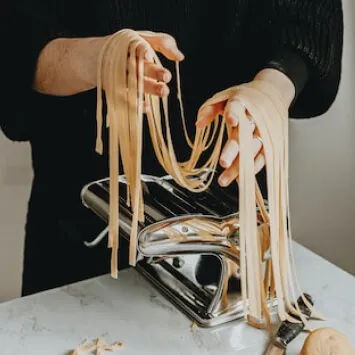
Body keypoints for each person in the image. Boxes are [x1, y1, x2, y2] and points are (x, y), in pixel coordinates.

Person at [0, 1, 343, 296]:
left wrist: (273, 88)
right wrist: (94, 59)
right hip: (82, 225)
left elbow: (309, 18)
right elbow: (15, 38)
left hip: (235, 231)